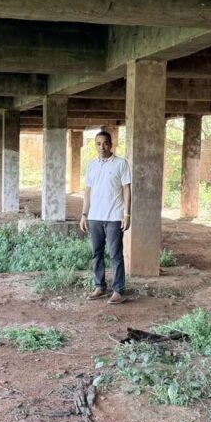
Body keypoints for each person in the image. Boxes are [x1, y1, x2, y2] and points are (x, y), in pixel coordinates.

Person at [79, 130, 131, 304]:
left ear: (111, 144)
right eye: (98, 144)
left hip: (114, 216)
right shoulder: (92, 165)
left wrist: (127, 214)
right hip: (95, 217)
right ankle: (100, 287)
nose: (102, 147)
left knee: (115, 255)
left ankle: (118, 291)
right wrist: (84, 214)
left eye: (105, 143)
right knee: (97, 254)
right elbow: (87, 192)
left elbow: (126, 189)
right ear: (95, 145)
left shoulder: (121, 163)